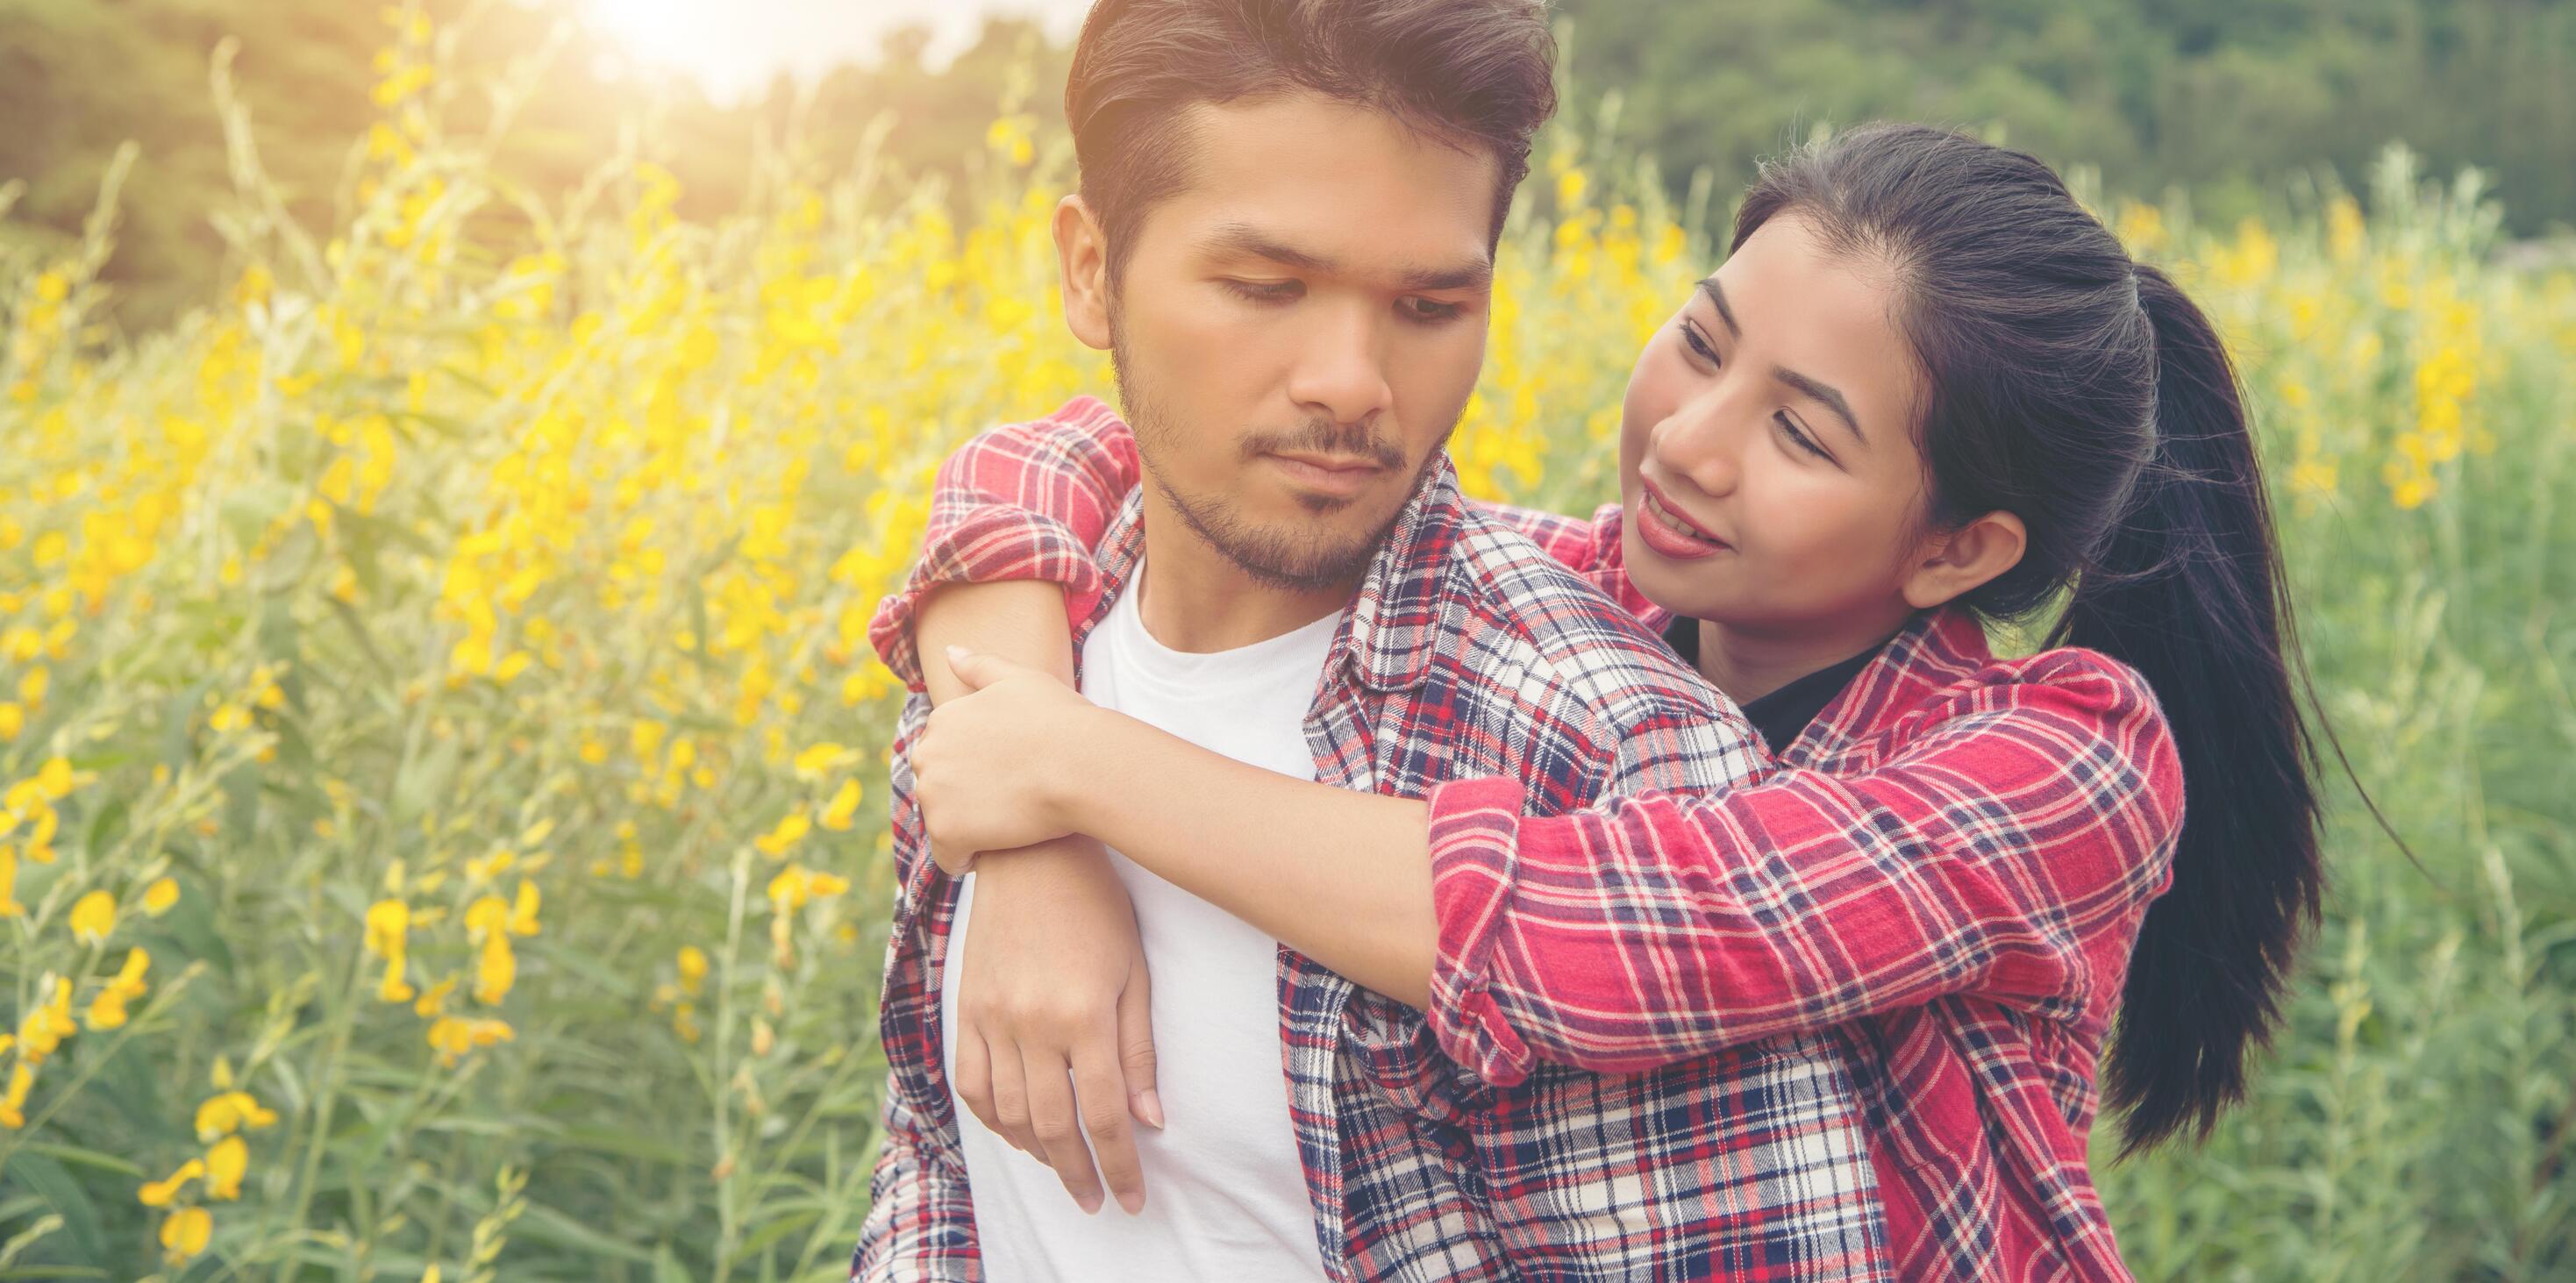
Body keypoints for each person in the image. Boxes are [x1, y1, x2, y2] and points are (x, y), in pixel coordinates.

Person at [884, 121, 2331, 1279]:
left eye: (1798, 432)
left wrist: (1073, 766)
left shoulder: (2059, 762)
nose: (1690, 444)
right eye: (1702, 344)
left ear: (1958, 547)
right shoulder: (1590, 592)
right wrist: (1031, 854)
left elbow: (1608, 931)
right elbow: (1062, 458)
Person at [849, 0, 1892, 1283]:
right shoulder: (1007, 647)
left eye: (1426, 307)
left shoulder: (1605, 758)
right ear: (1090, 274)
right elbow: (941, 1154)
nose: (1349, 384)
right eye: (1265, 287)